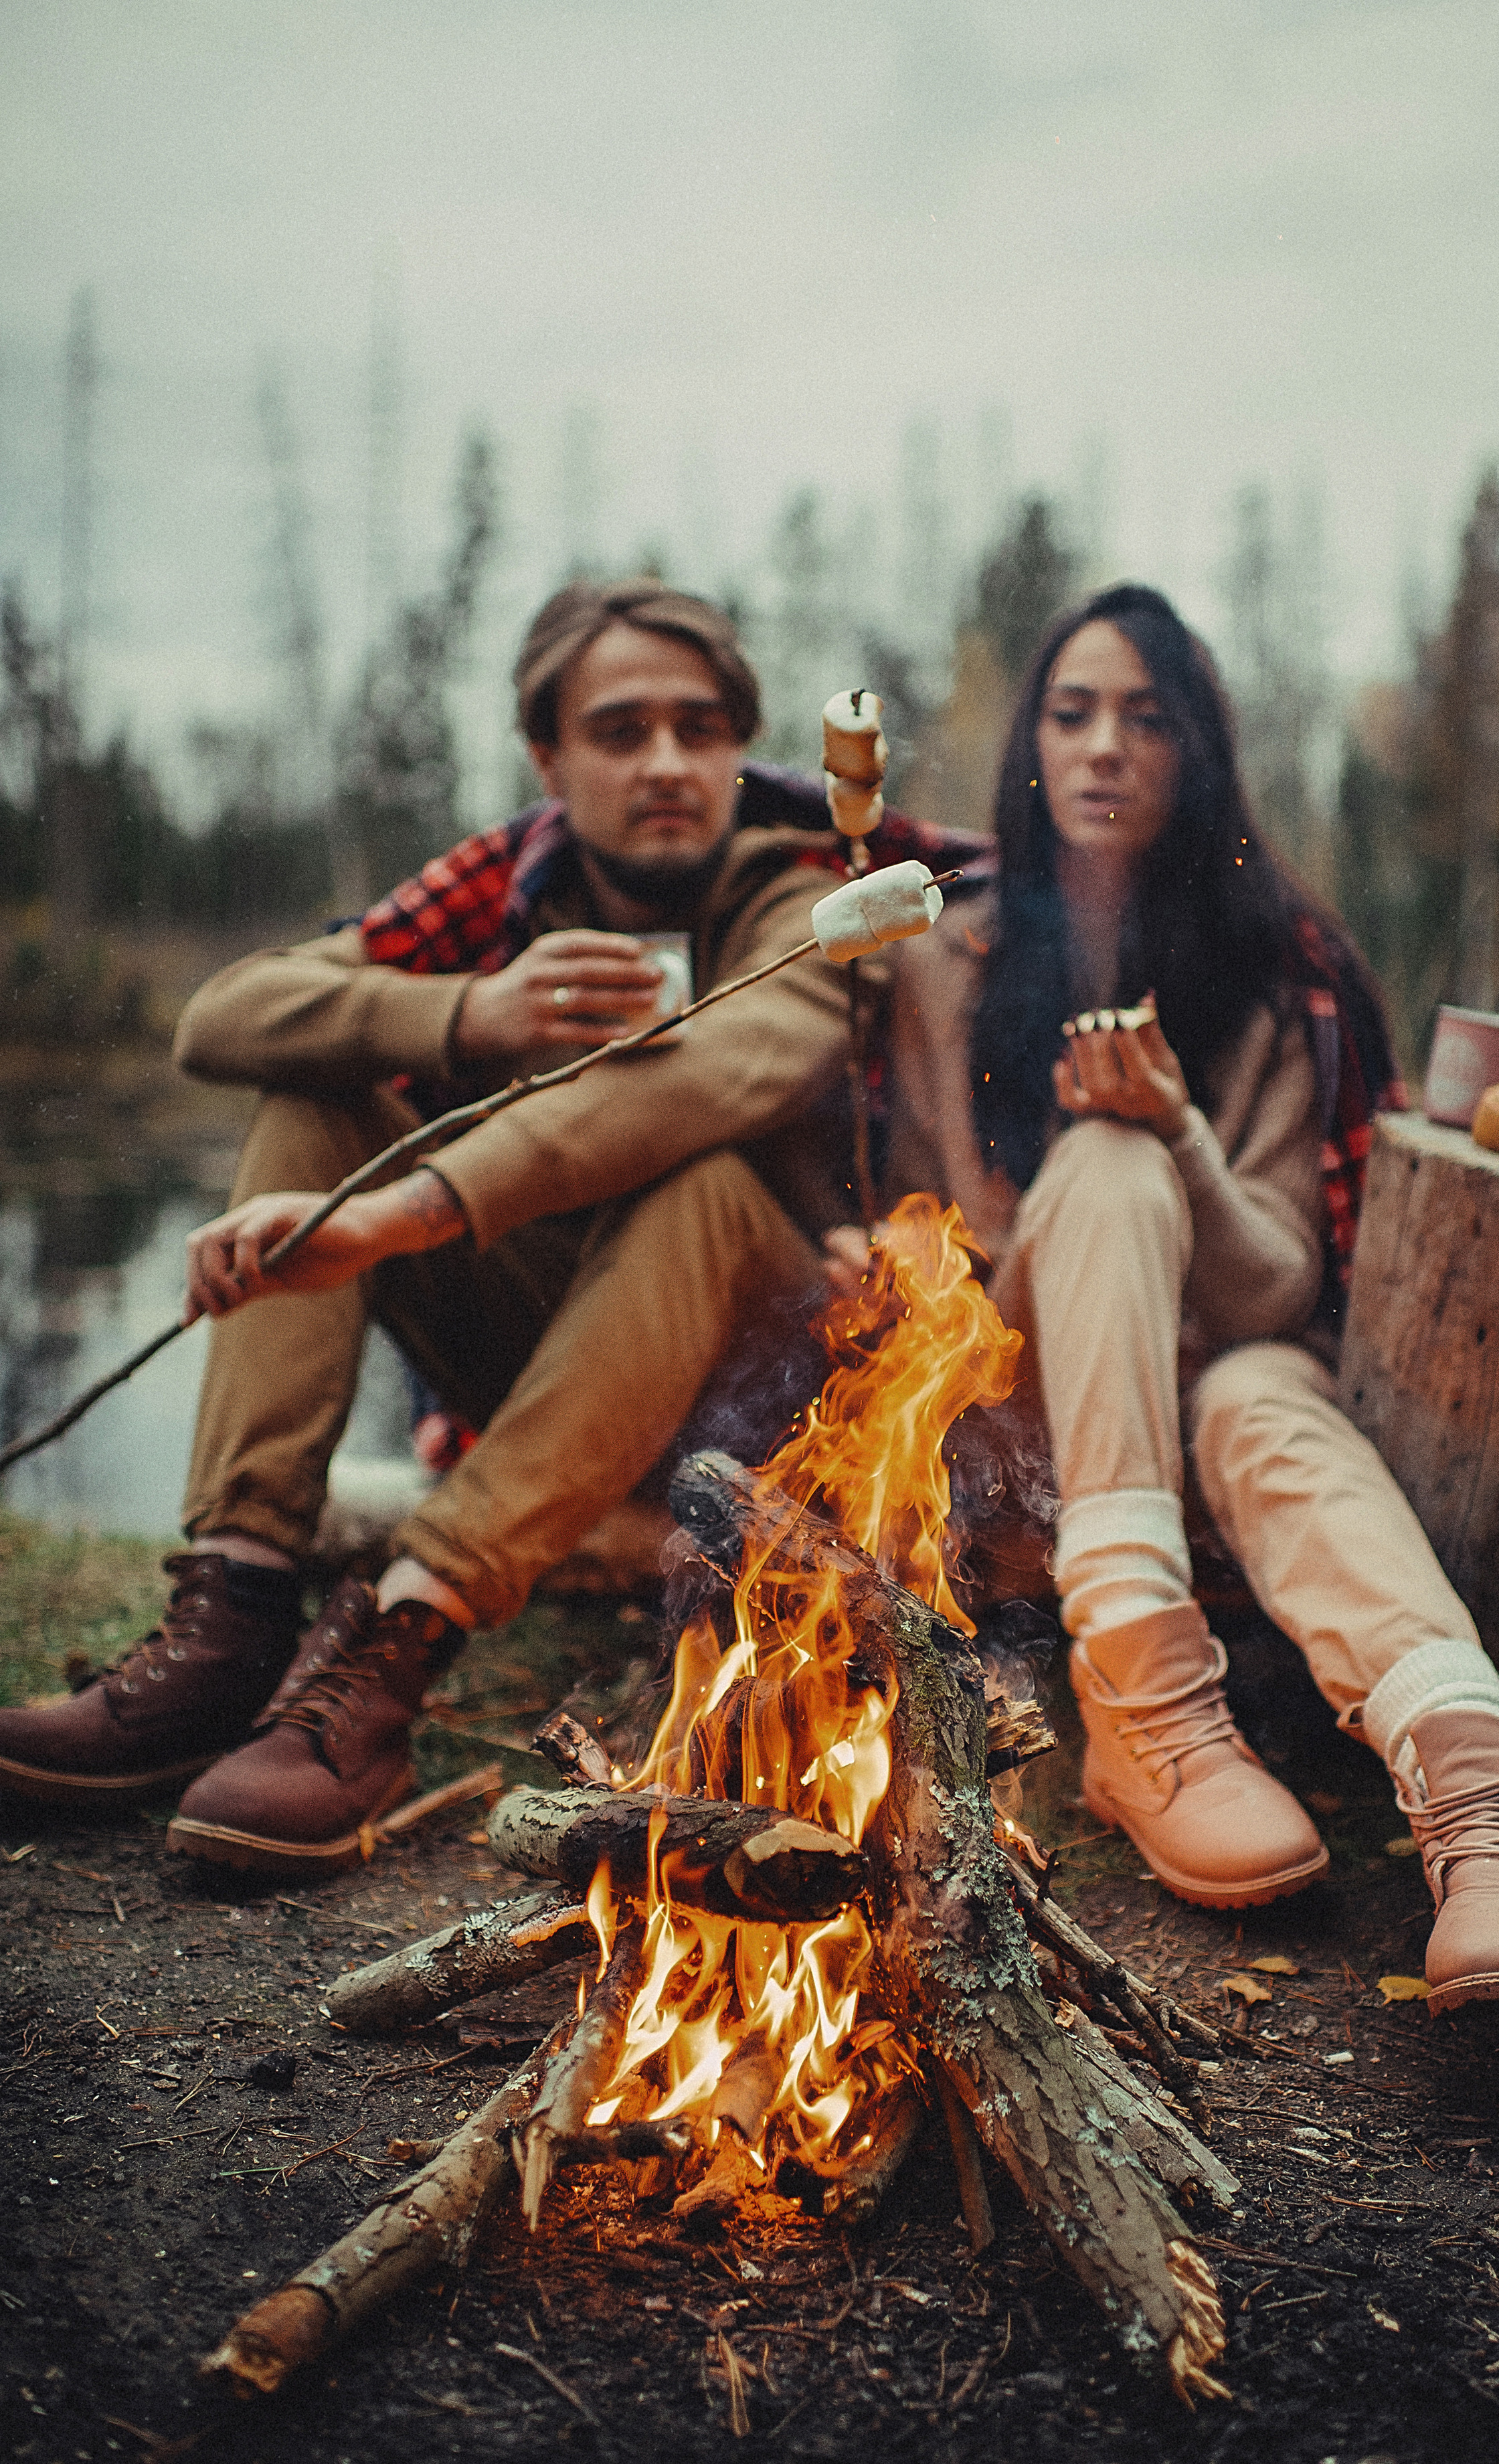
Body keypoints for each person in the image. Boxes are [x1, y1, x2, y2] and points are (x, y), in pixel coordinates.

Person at [0, 578, 968, 1876]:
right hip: (549, 1361)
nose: (667, 763)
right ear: (548, 757)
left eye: (698, 727)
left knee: (707, 1184)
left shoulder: (803, 897)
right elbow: (223, 1017)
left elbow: (708, 1077)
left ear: (740, 746)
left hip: (757, 1401)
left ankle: (403, 1633)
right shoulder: (506, 892)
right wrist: (470, 1015)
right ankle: (231, 1617)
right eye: (620, 732)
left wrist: (403, 1214)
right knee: (313, 1093)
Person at [880, 583, 1499, 2014]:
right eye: (1071, 712)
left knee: (1270, 1393)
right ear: (1029, 741)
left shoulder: (1277, 970)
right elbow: (923, 1235)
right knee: (1097, 1163)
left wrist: (1184, 1136)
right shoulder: (939, 954)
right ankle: (1146, 1706)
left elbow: (1278, 1284)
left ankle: (1479, 1789)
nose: (1102, 748)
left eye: (1144, 719)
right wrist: (1102, 1164)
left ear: (1194, 751)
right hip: (1020, 1411)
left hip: (1217, 1394)